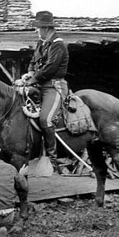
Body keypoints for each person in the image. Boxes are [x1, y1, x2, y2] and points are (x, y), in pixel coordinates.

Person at [22, 11, 69, 174]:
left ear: (46, 28)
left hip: (53, 86)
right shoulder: (41, 43)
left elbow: (50, 69)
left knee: (46, 119)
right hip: (38, 84)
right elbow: (33, 61)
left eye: (38, 28)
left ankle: (52, 160)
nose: (36, 31)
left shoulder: (58, 44)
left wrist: (32, 80)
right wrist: (28, 73)